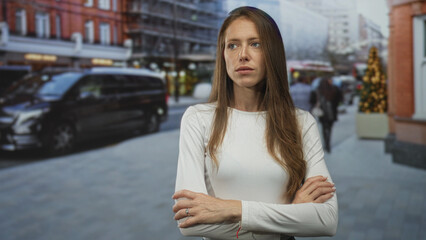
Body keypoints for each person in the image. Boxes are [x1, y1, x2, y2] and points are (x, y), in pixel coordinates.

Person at [172, 7, 338, 240]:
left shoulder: (301, 122)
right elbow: (189, 222)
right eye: (233, 45)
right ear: (223, 54)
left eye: (255, 44)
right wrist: (291, 214)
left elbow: (326, 220)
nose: (243, 55)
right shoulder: (198, 119)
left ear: (273, 53)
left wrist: (232, 209)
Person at [310, 77, 342, 153]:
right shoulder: (335, 89)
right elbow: (339, 100)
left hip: (322, 112)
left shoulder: (318, 90)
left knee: (324, 128)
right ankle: (328, 143)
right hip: (332, 112)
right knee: (330, 128)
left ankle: (326, 143)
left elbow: (312, 100)